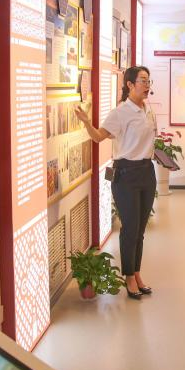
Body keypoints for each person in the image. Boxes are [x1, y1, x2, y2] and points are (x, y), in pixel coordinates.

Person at [75, 66, 157, 300]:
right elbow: (99, 137)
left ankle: (137, 272)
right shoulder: (120, 112)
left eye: (149, 81)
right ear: (130, 84)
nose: (147, 85)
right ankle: (128, 276)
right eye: (143, 81)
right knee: (130, 228)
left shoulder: (148, 110)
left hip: (147, 172)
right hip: (126, 174)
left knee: (140, 230)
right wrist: (86, 122)